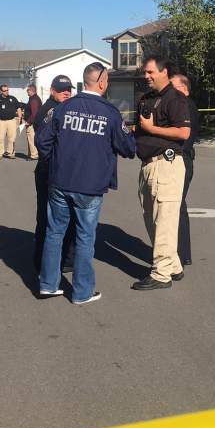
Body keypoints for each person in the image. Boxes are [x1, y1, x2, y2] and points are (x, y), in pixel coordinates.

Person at [35, 62, 135, 303]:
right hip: (90, 187)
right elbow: (128, 148)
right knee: (85, 237)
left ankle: (48, 284)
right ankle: (81, 292)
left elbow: (42, 141)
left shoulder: (63, 107)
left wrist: (56, 163)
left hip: (59, 182)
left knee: (54, 233)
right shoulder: (110, 113)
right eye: (108, 80)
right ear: (101, 82)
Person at [132, 56, 191, 291]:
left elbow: (184, 132)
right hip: (147, 165)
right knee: (151, 219)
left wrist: (150, 128)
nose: (146, 76)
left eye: (150, 72)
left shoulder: (174, 99)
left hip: (167, 165)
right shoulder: (145, 99)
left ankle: (161, 274)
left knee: (164, 220)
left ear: (164, 71)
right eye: (145, 73)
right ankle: (173, 265)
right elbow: (140, 128)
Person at [32, 75, 75, 271]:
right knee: (47, 218)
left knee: (63, 218)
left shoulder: (65, 108)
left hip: (60, 170)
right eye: (62, 89)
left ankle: (65, 259)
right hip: (49, 169)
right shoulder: (48, 111)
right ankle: (42, 262)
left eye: (69, 89)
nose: (66, 92)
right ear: (52, 90)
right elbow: (44, 144)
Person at [171, 73, 199, 267]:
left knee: (175, 207)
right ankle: (181, 254)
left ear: (183, 88)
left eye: (172, 87)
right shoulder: (181, 105)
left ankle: (179, 255)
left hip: (181, 159)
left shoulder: (186, 106)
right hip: (181, 158)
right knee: (177, 206)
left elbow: (182, 138)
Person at [0, 84, 22, 160]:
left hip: (11, 121)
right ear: (1, 91)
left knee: (12, 138)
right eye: (4, 90)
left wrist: (20, 118)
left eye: (7, 90)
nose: (6, 92)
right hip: (0, 121)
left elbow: (18, 108)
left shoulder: (12, 98)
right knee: (0, 138)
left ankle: (10, 153)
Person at [23, 84, 42, 161]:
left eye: (28, 90)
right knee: (30, 139)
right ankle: (31, 153)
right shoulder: (33, 98)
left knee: (31, 139)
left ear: (31, 90)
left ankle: (34, 155)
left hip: (32, 124)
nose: (27, 92)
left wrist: (29, 121)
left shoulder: (34, 100)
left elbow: (34, 113)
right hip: (33, 123)